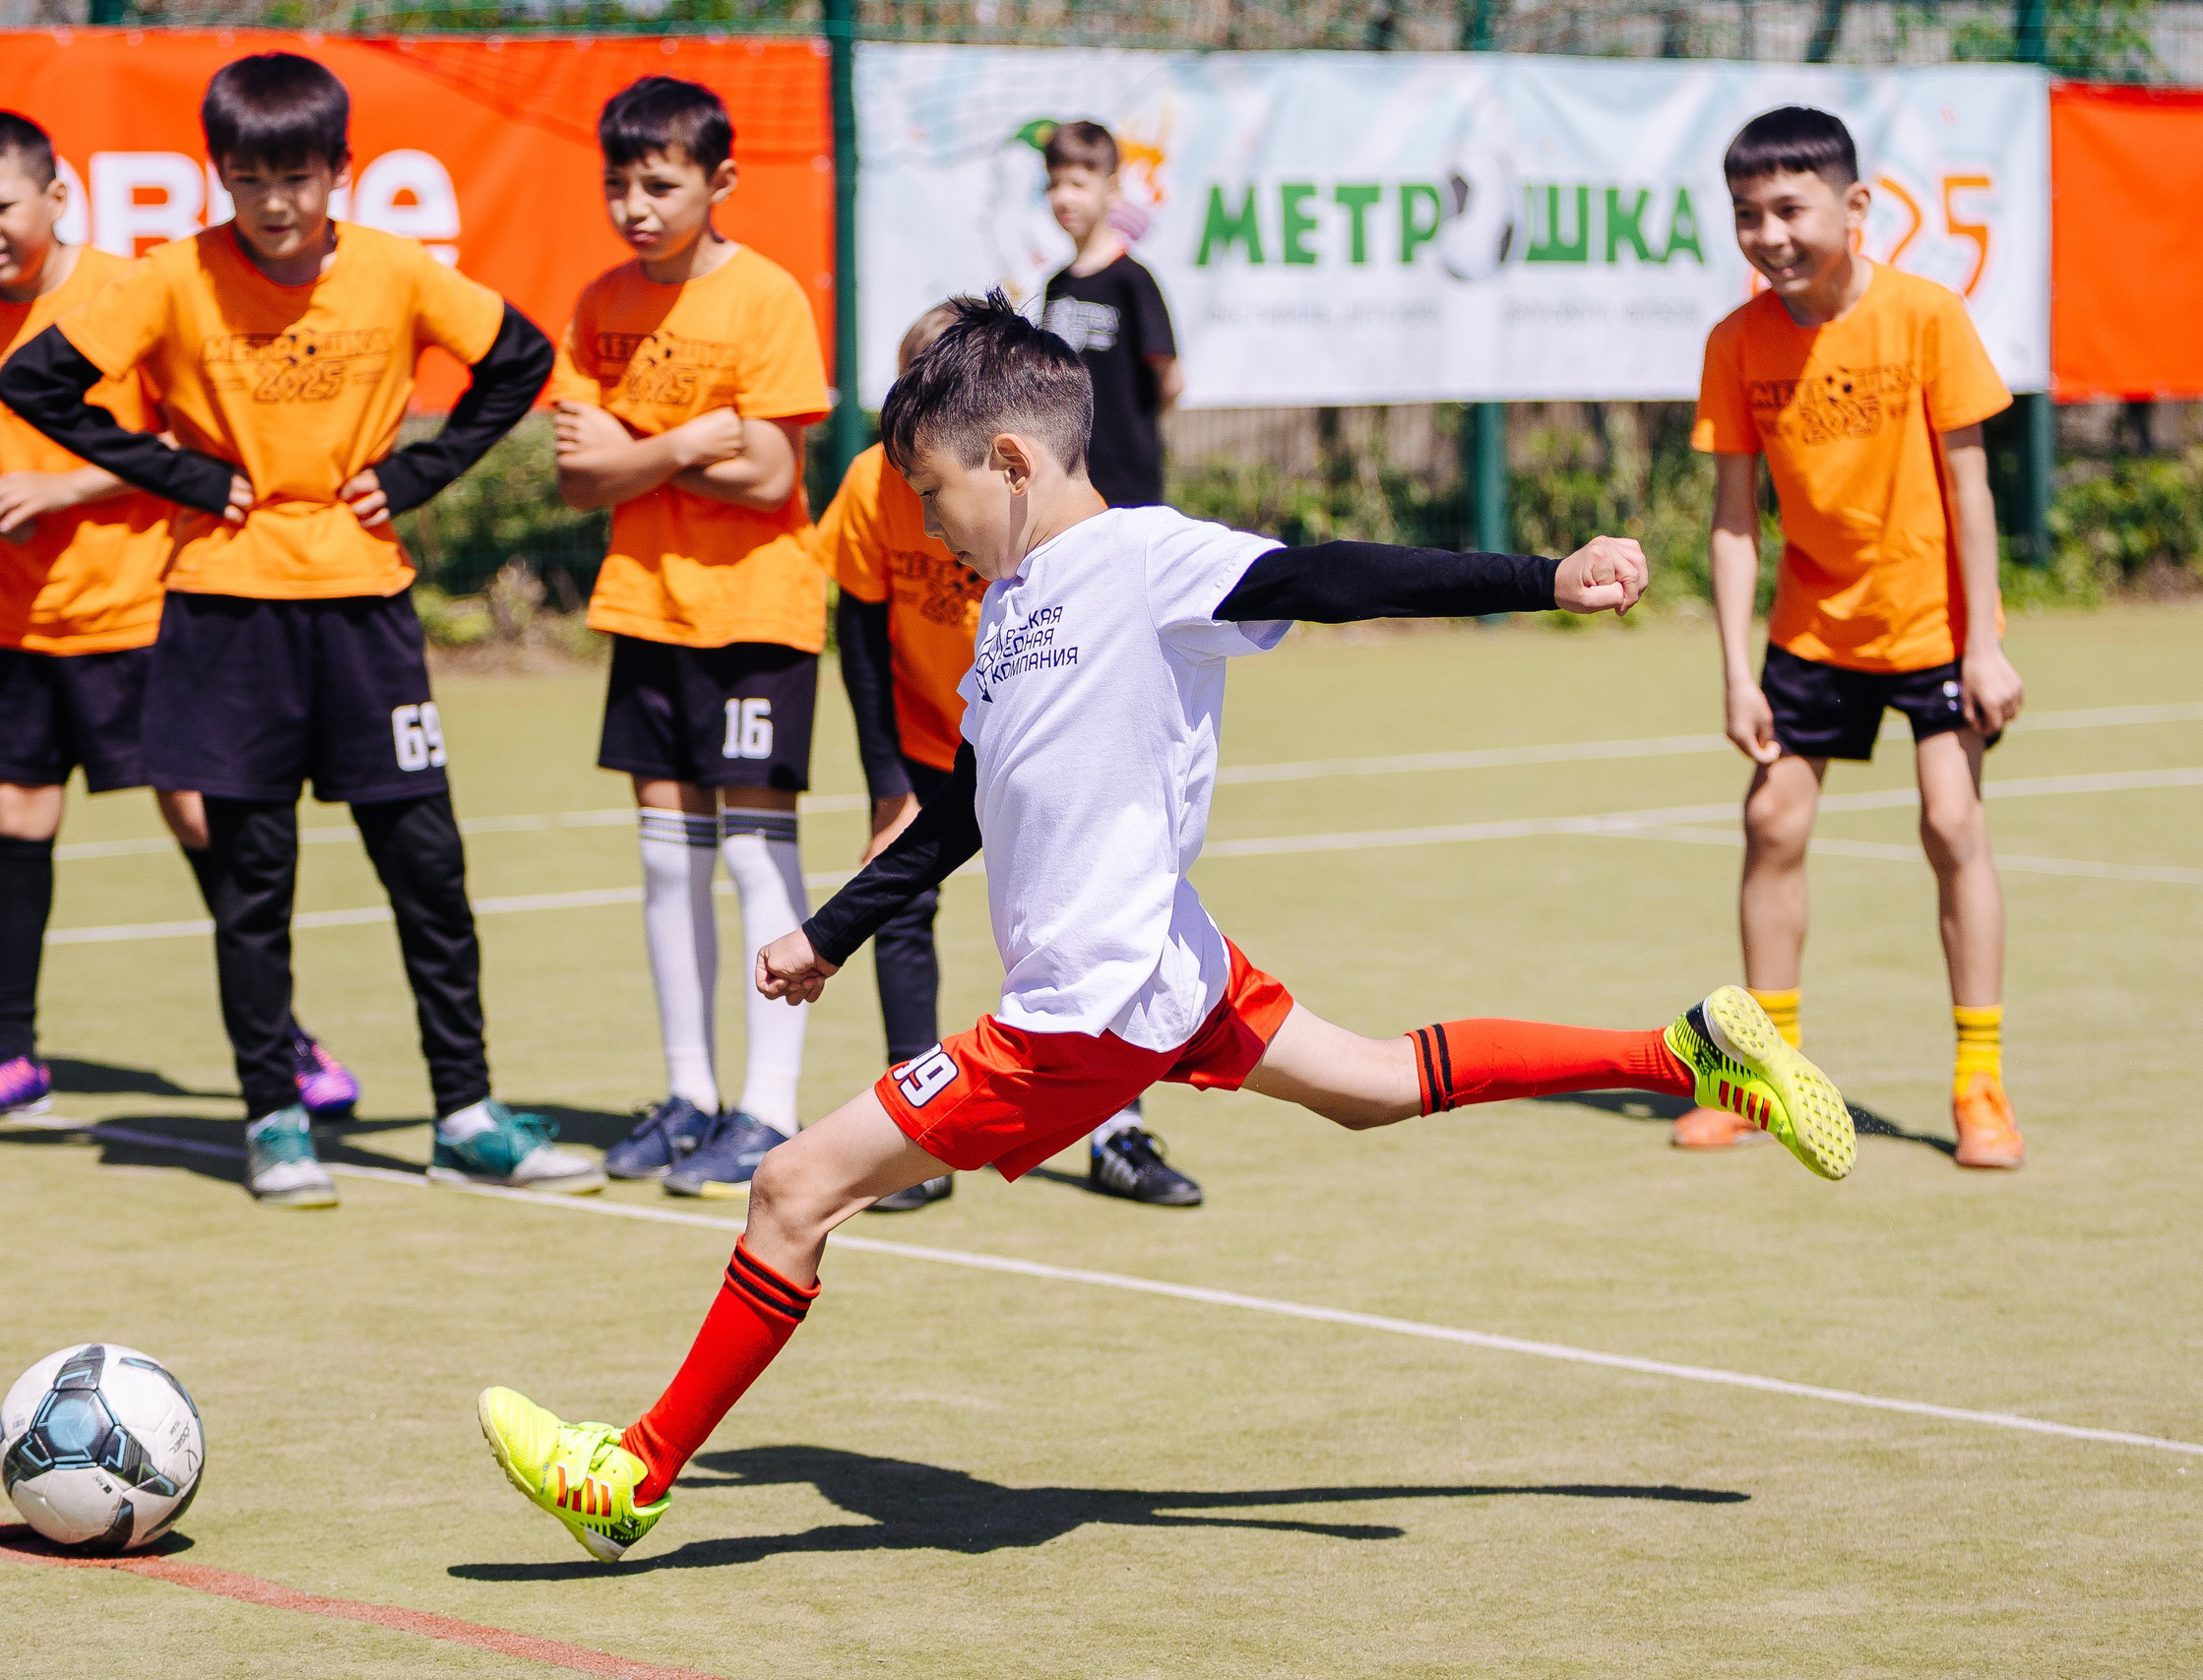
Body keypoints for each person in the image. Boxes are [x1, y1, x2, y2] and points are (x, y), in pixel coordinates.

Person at [474, 293, 1858, 1564]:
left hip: (1083, 1006)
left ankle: (634, 1474)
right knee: (1376, 1082)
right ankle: (1686, 1053)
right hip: (1172, 967)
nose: (932, 524)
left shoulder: (1148, 559)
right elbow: (963, 809)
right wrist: (833, 931)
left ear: (1011, 459)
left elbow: (1325, 575)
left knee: (792, 1188)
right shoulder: (1011, 610)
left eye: (937, 491)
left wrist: (1540, 574)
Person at [0, 53, 577, 1207]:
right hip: (226, 613)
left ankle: (465, 1112)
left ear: (338, 173)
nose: (273, 202)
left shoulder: (396, 269)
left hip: (365, 607)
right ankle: (274, 1119)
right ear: (219, 174)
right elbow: (38, 383)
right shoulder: (173, 278)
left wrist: (424, 469)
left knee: (428, 870)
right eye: (248, 177)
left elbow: (519, 359)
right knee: (251, 884)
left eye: (297, 176)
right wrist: (175, 473)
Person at [0, 108, 358, 1124]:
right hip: (20, 623)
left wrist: (58, 493)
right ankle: (14, 1051)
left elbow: (185, 446)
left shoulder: (128, 292)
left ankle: (287, 1044)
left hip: (141, 610)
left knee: (198, 816)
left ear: (55, 194)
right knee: (13, 816)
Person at [1685, 106, 2025, 1170]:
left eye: (1790, 209)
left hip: (1932, 624)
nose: (1769, 235)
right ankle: (1765, 1077)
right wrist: (1737, 671)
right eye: (1747, 215)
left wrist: (1984, 643)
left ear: (1856, 208)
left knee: (1950, 822)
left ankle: (1979, 1085)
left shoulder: (1926, 316)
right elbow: (1735, 519)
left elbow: (1970, 490)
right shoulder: (1735, 344)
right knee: (1772, 822)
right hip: (1810, 632)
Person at [822, 303, 1204, 1211]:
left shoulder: (1044, 496)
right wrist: (886, 786)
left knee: (1084, 922)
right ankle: (914, 1137)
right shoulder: (874, 486)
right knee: (902, 902)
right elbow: (860, 636)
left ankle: (1117, 1128)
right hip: (932, 737)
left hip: (1044, 740)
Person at [550, 77, 833, 1200]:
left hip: (757, 610)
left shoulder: (765, 298)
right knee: (668, 867)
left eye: (659, 184)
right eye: (617, 184)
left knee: (759, 857)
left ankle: (766, 1110)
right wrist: (694, 435)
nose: (635, 205)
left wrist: (639, 440)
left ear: (718, 183)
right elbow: (578, 475)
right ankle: (689, 1096)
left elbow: (771, 473)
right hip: (644, 605)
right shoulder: (599, 300)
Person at [1039, 120, 1179, 511]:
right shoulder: (1055, 285)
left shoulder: (1133, 280)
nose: (1064, 198)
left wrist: (1126, 433)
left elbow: (1169, 381)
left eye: (1078, 184)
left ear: (1112, 190)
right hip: (1065, 481)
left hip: (1127, 484)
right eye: (1053, 184)